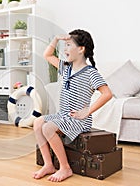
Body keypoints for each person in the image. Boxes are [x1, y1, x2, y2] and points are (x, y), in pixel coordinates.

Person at [33, 29, 112, 182]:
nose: (65, 49)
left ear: (81, 49)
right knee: (38, 122)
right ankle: (49, 164)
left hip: (78, 120)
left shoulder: (90, 73)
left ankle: (65, 167)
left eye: (69, 45)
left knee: (47, 127)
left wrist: (87, 111)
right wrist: (56, 39)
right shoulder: (66, 68)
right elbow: (47, 55)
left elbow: (107, 94)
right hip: (63, 115)